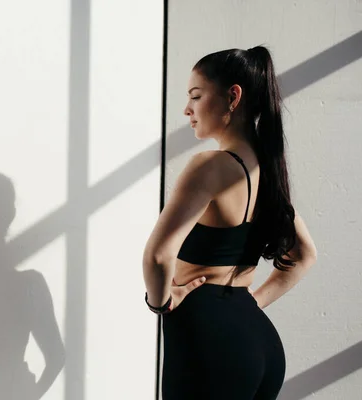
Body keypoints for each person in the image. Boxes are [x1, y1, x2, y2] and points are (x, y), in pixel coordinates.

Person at [141, 46, 317, 399]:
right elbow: (305, 254)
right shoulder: (268, 171)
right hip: (260, 344)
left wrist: (161, 303)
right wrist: (250, 304)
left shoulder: (209, 166)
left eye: (196, 95)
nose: (187, 109)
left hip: (210, 346)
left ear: (233, 97)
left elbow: (158, 257)